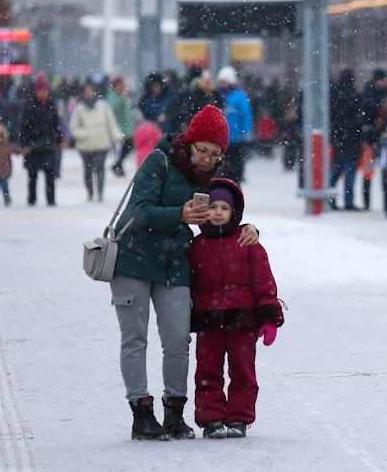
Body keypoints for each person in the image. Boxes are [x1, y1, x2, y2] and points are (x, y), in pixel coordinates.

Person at [109, 105, 262, 441]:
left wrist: (247, 229)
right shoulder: (159, 160)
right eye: (202, 150)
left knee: (178, 340)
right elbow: (140, 211)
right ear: (190, 142)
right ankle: (142, 414)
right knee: (135, 339)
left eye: (215, 154)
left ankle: (174, 413)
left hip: (174, 263)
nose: (207, 159)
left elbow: (226, 211)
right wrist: (178, 214)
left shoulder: (211, 178)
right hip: (132, 260)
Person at [190, 179, 285, 439]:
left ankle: (239, 418)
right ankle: (211, 419)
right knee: (207, 372)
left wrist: (268, 316)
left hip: (242, 321)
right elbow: (191, 286)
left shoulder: (247, 243)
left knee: (243, 370)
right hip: (209, 321)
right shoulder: (197, 247)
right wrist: (186, 318)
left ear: (235, 213)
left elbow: (264, 282)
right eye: (213, 207)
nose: (218, 212)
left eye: (224, 208)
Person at [69, 82, 122, 202]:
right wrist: (85, 134)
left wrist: (116, 137)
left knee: (100, 169)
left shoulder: (103, 106)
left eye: (91, 91)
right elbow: (73, 127)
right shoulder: (79, 109)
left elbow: (111, 123)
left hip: (101, 144)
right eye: (86, 91)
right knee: (88, 171)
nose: (89, 94)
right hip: (85, 146)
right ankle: (90, 193)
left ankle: (100, 193)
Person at [18, 73, 63, 206]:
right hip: (33, 146)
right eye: (40, 91)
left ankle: (51, 200)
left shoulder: (51, 105)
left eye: (45, 91)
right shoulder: (29, 106)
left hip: (48, 145)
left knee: (50, 175)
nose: (43, 93)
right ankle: (32, 199)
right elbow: (24, 126)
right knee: (32, 176)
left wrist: (58, 138)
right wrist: (24, 144)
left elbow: (56, 124)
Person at [328, 69, 363, 210]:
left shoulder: (334, 95)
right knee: (349, 173)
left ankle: (330, 198)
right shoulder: (355, 95)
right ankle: (348, 201)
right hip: (352, 140)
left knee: (335, 172)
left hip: (338, 139)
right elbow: (359, 119)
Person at [358, 69, 387, 210]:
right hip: (371, 139)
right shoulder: (369, 95)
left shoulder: (386, 94)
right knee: (368, 172)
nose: (382, 82)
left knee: (385, 172)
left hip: (383, 137)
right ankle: (367, 203)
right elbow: (364, 116)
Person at [217, 66, 254, 183]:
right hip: (222, 139)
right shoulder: (218, 95)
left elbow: (246, 115)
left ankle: (234, 184)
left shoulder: (239, 96)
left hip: (235, 138)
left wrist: (246, 132)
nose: (222, 84)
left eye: (224, 81)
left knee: (235, 166)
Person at [108, 77, 135, 177]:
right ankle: (118, 165)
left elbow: (128, 108)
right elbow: (113, 108)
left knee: (128, 145)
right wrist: (122, 99)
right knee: (120, 148)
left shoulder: (123, 95)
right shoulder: (113, 96)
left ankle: (118, 164)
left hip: (126, 126)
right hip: (118, 126)